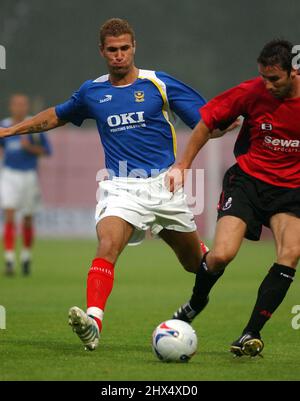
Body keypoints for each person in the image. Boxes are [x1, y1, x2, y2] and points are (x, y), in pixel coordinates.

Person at [0, 18, 236, 351]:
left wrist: (224, 124)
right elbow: (55, 115)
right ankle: (93, 322)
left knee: (196, 264)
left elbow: (206, 120)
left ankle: (196, 302)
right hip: (121, 188)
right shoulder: (92, 91)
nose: (119, 55)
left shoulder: (158, 84)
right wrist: (10, 131)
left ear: (134, 47)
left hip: (164, 188)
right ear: (102, 51)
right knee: (107, 246)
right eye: (112, 50)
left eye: (125, 48)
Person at [168, 39, 300, 357]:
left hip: (291, 190)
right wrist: (183, 165)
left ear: (294, 72)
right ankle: (197, 301)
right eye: (263, 77)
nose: (267, 85)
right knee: (221, 255)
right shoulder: (251, 92)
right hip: (248, 183)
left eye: (274, 79)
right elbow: (205, 124)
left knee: (291, 253)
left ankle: (250, 333)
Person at [0, 94, 52, 276]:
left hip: (29, 175)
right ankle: (8, 259)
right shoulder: (5, 125)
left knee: (27, 218)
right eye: (16, 104)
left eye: (23, 104)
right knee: (9, 215)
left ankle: (26, 257)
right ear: (11, 106)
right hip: (9, 174)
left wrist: (29, 148)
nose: (19, 108)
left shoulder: (34, 126)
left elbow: (47, 151)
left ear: (26, 106)